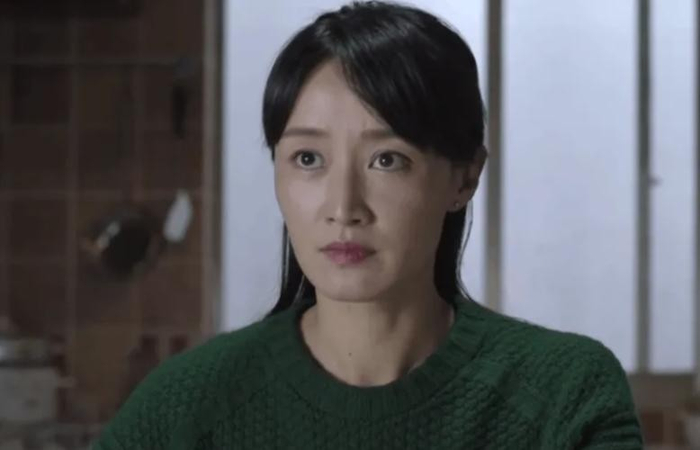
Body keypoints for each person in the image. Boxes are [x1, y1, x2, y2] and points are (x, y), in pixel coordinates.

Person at [92, 1, 644, 449]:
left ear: (464, 178)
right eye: (308, 159)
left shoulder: (564, 395)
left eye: (387, 160)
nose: (343, 206)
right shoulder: (185, 406)